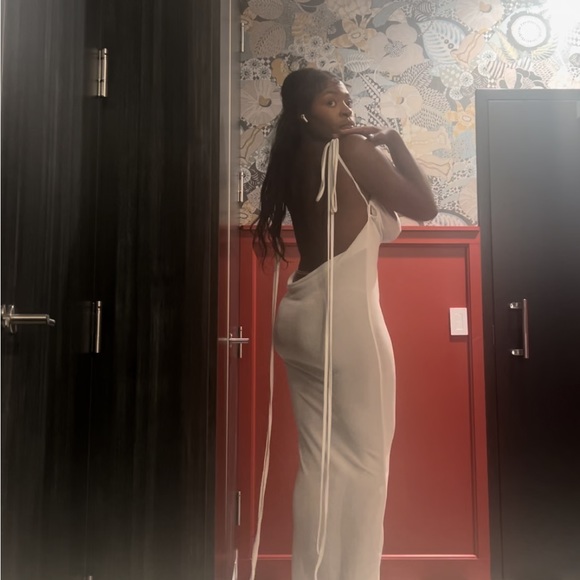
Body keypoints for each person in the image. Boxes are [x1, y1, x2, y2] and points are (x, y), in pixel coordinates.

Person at [252, 68, 437, 580]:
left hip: (300, 314)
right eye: (331, 102)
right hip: (345, 321)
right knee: (367, 465)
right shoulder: (352, 151)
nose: (347, 111)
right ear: (303, 113)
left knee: (320, 463)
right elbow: (424, 207)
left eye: (347, 101)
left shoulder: (291, 158)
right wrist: (395, 141)